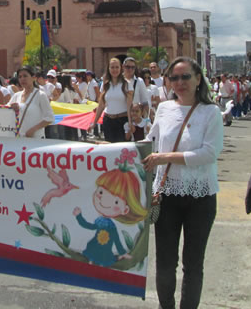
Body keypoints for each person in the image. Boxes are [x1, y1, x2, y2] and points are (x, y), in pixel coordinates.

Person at [143, 56, 223, 309]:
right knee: (165, 260)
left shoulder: (211, 112)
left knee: (193, 262)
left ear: (198, 79)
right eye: (174, 78)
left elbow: (209, 153)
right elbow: (149, 141)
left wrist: (165, 157)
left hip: (201, 196)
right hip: (166, 194)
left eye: (185, 77)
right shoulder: (165, 109)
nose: (179, 83)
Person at [91, 58, 132, 143]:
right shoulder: (105, 84)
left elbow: (129, 106)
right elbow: (101, 105)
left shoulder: (126, 84)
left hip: (122, 121)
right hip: (108, 121)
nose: (114, 70)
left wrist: (130, 123)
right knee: (109, 148)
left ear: (121, 68)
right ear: (109, 69)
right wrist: (94, 123)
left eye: (117, 67)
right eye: (112, 67)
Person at [6, 65, 54, 138]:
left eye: (25, 76)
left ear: (33, 78)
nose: (22, 79)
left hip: (35, 139)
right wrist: (11, 107)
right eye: (20, 77)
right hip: (18, 138)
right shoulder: (16, 96)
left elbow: (49, 117)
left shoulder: (40, 95)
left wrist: (33, 130)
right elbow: (5, 111)